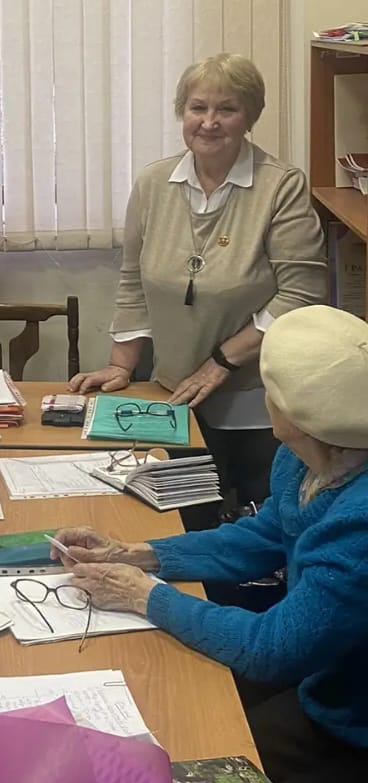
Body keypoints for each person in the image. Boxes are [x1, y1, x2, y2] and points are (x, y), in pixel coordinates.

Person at [60, 305, 368, 783]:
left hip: (351, 720)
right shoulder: (307, 455)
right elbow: (265, 535)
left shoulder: (357, 523)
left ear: (291, 412)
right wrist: (139, 554)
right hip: (327, 682)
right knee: (178, 751)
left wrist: (146, 597)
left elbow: (271, 649)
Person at [69, 54, 325, 506]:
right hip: (172, 393)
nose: (209, 122)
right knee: (180, 512)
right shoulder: (153, 183)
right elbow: (133, 281)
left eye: (227, 109)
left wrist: (221, 362)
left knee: (260, 518)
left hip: (259, 401)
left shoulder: (281, 187)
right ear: (181, 112)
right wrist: (122, 366)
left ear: (250, 117)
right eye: (197, 108)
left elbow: (300, 296)